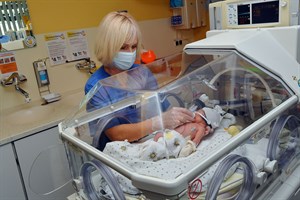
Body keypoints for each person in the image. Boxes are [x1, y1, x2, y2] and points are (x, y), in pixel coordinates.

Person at [85, 11, 194, 151]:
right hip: (119, 153)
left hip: (149, 142)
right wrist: (157, 123)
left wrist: (180, 117)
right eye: (123, 47)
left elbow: (161, 107)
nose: (130, 52)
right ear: (108, 46)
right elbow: (116, 134)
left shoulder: (141, 73)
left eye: (134, 46)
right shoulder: (97, 86)